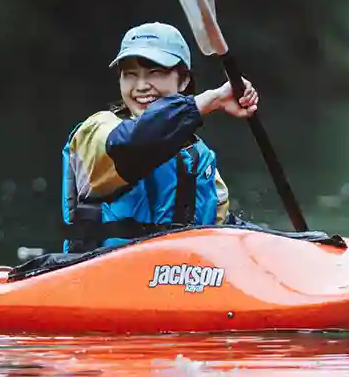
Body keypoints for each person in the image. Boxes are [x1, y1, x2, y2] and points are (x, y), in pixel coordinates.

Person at [61, 22, 259, 252]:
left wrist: (290, 246)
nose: (141, 86)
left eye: (155, 73)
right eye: (130, 75)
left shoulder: (198, 157)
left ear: (184, 80)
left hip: (177, 280)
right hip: (99, 278)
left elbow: (224, 231)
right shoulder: (96, 131)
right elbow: (134, 145)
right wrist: (211, 100)